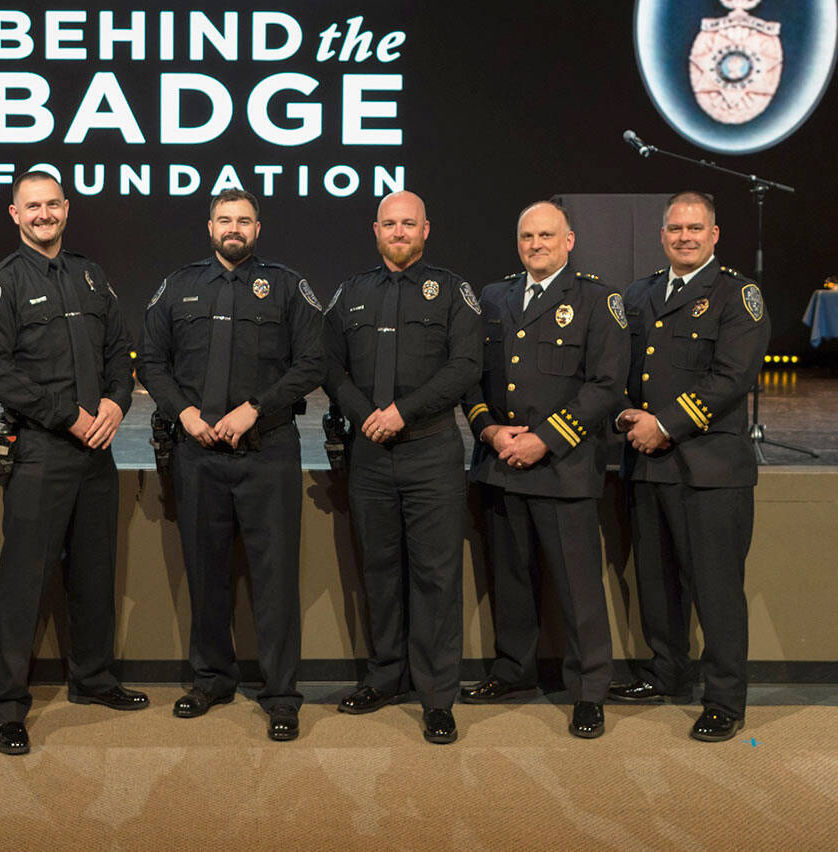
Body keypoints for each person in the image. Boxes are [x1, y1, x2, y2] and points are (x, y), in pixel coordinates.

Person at [136, 189, 324, 742]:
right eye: (225, 219)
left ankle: (281, 695)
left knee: (275, 579)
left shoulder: (289, 286)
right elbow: (151, 359)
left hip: (267, 453)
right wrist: (184, 412)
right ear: (210, 226)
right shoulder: (178, 286)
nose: (234, 228)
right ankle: (212, 679)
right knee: (206, 573)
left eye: (244, 220)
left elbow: (312, 361)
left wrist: (256, 408)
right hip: (197, 455)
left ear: (258, 228)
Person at [0, 172, 147, 756]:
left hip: (97, 448)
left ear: (66, 210)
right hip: (42, 450)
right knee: (23, 582)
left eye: (52, 205)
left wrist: (116, 402)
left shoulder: (91, 275)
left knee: (95, 572)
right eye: (33, 207)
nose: (43, 214)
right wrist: (66, 415)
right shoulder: (3, 284)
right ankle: (7, 707)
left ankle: (93, 680)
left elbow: (122, 351)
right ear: (14, 214)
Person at [459, 201, 628, 738]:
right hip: (501, 463)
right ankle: (513, 671)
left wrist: (544, 439)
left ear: (569, 240)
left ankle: (588, 691)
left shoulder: (600, 300)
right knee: (510, 580)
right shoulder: (494, 297)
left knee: (578, 588)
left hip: (563, 466)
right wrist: (487, 430)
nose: (536, 244)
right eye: (527, 236)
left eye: (547, 235)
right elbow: (475, 376)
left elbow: (604, 386)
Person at [609, 191, 770, 742]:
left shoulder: (737, 295)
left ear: (715, 234)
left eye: (695, 228)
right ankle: (667, 673)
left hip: (710, 470)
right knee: (656, 583)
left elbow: (731, 378)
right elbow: (621, 370)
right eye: (675, 228)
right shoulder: (639, 294)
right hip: (649, 466)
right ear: (662, 235)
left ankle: (724, 700)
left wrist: (665, 424)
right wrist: (626, 414)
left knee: (716, 589)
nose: (684, 236)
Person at [322, 191, 481, 744]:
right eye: (389, 223)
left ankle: (438, 697)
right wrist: (367, 415)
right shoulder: (351, 292)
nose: (398, 231)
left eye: (408, 223)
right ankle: (385, 676)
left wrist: (401, 413)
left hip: (431, 452)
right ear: (376, 230)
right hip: (370, 453)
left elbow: (465, 366)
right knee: (380, 572)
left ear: (425, 229)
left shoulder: (453, 291)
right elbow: (330, 365)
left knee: (436, 576)